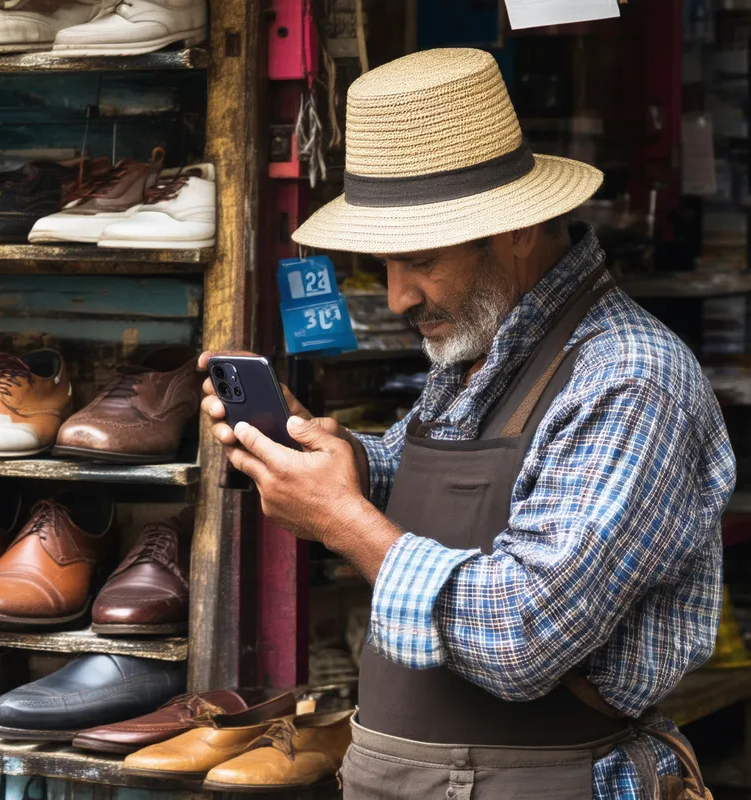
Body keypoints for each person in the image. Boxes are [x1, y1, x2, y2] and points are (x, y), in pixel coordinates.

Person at [200, 48, 735, 800]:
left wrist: (344, 520)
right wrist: (326, 451)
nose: (397, 299)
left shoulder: (630, 381)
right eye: (383, 265)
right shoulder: (483, 351)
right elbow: (424, 475)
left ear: (520, 229)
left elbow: (521, 634)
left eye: (419, 260)